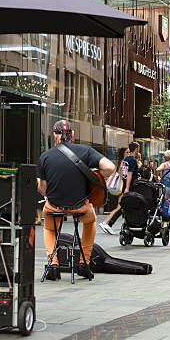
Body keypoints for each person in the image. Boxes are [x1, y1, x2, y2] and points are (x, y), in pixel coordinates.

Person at [37, 120, 115, 281]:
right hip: (80, 207)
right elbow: (110, 167)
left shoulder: (45, 156)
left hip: (54, 207)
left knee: (50, 228)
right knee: (90, 221)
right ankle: (83, 263)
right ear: (72, 135)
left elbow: (41, 186)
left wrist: (49, 196)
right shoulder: (85, 151)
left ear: (55, 135)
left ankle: (53, 264)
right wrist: (95, 176)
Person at [99, 143, 139, 234]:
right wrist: (128, 187)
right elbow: (129, 174)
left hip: (125, 185)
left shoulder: (126, 160)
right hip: (130, 187)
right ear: (136, 149)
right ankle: (109, 224)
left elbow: (124, 174)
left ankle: (120, 224)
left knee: (124, 206)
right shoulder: (132, 160)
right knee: (124, 206)